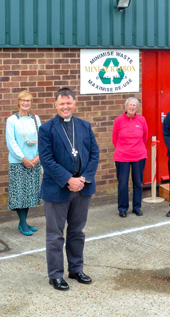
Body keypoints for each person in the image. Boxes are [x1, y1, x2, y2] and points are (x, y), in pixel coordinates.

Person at [38, 88, 100, 291]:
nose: (65, 106)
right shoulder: (47, 129)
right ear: (55, 105)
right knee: (55, 235)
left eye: (69, 103)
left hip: (82, 188)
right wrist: (68, 180)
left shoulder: (84, 126)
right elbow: (47, 160)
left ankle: (75, 269)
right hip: (57, 190)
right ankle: (55, 275)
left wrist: (83, 178)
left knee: (76, 232)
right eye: (61, 103)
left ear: (75, 103)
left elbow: (94, 154)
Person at [6, 90, 42, 236]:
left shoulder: (35, 119)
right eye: (23, 100)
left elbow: (42, 139)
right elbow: (11, 142)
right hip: (18, 163)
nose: (26, 103)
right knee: (20, 195)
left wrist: (37, 157)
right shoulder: (12, 121)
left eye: (28, 100)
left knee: (30, 194)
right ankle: (22, 223)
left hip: (34, 162)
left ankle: (24, 221)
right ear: (18, 102)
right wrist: (24, 159)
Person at [112, 97, 148, 218]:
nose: (132, 107)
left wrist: (136, 148)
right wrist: (123, 148)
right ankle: (123, 208)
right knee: (122, 183)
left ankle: (137, 207)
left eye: (135, 106)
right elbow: (114, 139)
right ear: (126, 106)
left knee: (138, 182)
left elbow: (145, 137)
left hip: (139, 155)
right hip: (122, 156)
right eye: (130, 105)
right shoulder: (118, 120)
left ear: (137, 108)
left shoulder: (142, 120)